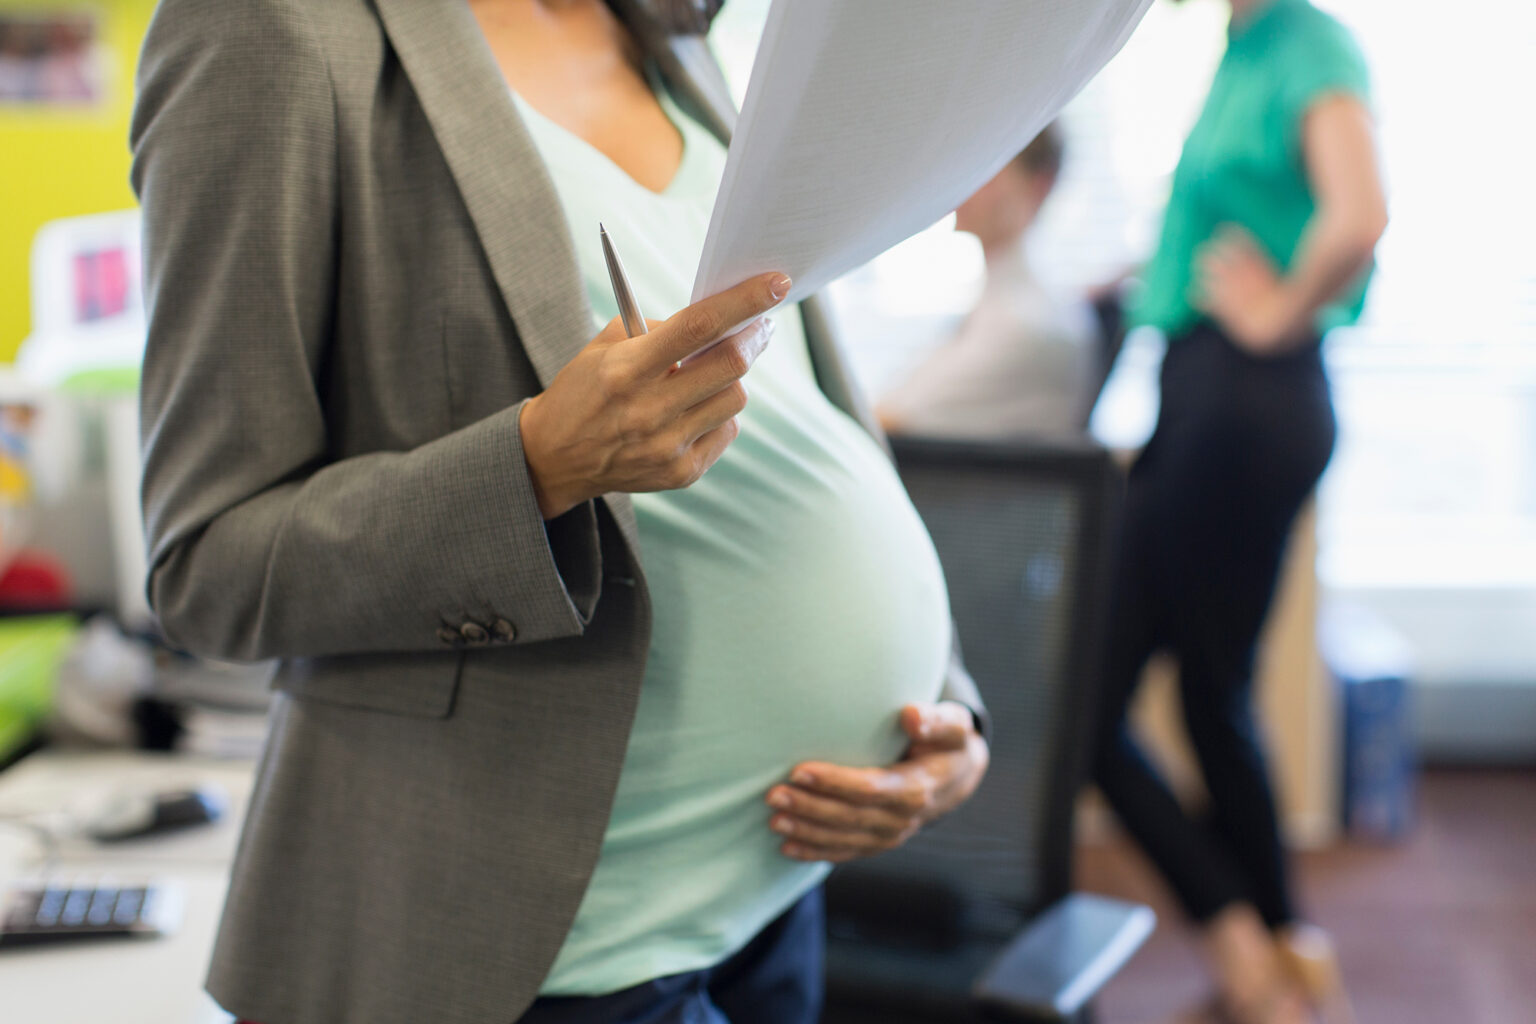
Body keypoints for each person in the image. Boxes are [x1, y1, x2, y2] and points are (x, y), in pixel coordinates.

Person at [129, 3, 990, 1024]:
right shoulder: (271, 28)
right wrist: (532, 467)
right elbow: (206, 565)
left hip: (770, 895)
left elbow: (805, 407)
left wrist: (944, 703)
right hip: (547, 952)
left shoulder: (675, 32)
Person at [1089, 2, 1387, 1023]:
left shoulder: (1307, 42)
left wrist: (1279, 309)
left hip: (1243, 398)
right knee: (1197, 693)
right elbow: (1227, 226)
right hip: (1210, 394)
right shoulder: (1243, 49)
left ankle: (1263, 960)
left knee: (1124, 697)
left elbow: (1359, 213)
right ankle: (1279, 953)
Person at [877, 123, 1098, 440]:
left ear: (1038, 184)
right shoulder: (1004, 302)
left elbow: (887, 420)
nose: (962, 182)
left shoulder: (1025, 323)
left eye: (985, 165)